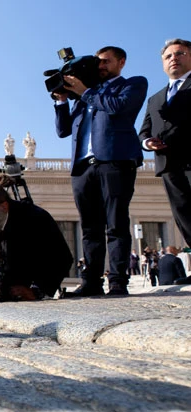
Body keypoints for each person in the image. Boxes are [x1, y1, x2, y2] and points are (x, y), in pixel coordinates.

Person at [54, 45, 148, 296]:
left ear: (121, 62)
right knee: (90, 228)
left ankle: (118, 281)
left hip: (115, 162)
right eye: (98, 63)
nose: (101, 67)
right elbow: (64, 131)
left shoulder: (133, 84)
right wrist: (62, 101)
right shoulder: (87, 96)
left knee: (116, 223)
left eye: (106, 62)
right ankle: (91, 282)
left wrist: (85, 92)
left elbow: (119, 107)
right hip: (83, 167)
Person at [139, 39, 191, 248]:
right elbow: (144, 131)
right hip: (168, 165)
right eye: (168, 56)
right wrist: (146, 143)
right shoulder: (155, 98)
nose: (174, 59)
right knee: (184, 214)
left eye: (180, 54)